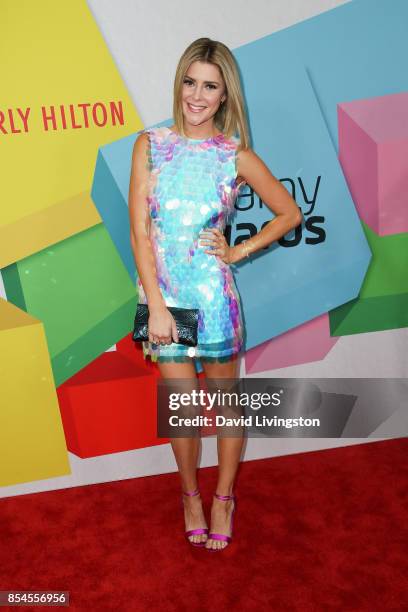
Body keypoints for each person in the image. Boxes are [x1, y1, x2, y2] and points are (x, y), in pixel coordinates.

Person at [128, 37, 302, 551]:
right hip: (164, 301)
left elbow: (289, 213)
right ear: (179, 83)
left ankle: (223, 496)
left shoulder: (234, 155)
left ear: (225, 95)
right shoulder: (151, 144)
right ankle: (189, 495)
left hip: (215, 298)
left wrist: (238, 251)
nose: (196, 96)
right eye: (190, 82)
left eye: (210, 86)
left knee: (225, 406)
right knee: (180, 409)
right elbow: (140, 232)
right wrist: (156, 306)